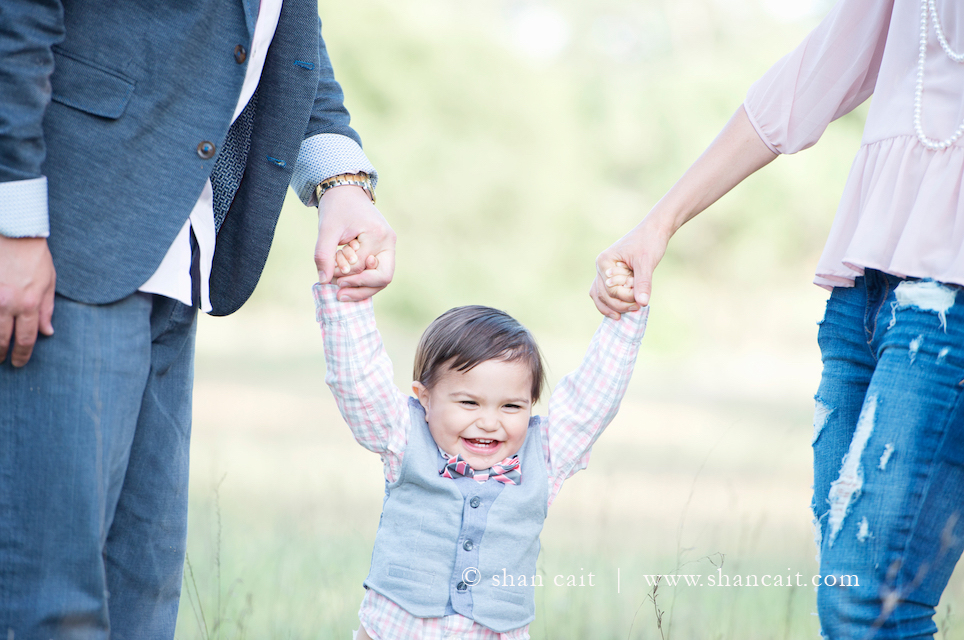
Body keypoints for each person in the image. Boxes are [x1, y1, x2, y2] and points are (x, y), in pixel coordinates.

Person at [0, 0, 393, 636]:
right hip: (67, 240)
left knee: (144, 595)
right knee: (51, 600)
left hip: (180, 256)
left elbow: (281, 40)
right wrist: (12, 223)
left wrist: (340, 183)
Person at [591, 0, 964, 636]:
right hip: (866, 278)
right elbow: (813, 74)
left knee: (868, 605)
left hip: (949, 297)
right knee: (846, 597)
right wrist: (660, 223)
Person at [313, 269, 646, 640]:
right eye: (469, 402)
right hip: (396, 628)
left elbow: (594, 399)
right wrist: (348, 290)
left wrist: (625, 313)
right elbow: (358, 379)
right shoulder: (405, 437)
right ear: (425, 398)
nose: (489, 422)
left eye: (511, 406)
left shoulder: (544, 456)